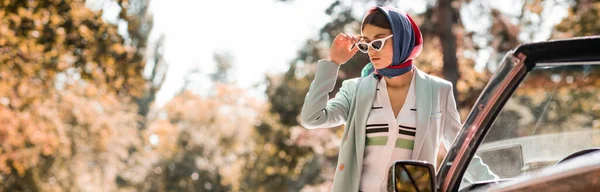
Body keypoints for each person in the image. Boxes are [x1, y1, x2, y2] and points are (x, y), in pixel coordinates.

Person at [299, 6, 497, 192]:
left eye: (377, 42)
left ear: (402, 39)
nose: (371, 50)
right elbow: (312, 117)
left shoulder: (439, 91)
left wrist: (498, 185)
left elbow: (461, 152)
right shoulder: (355, 90)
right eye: (365, 44)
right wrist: (333, 63)